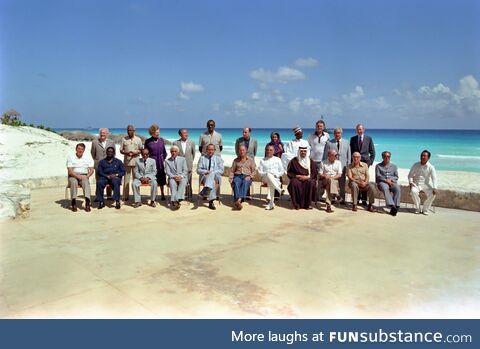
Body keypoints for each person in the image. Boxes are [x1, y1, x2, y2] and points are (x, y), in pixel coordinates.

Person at [323, 127, 351, 203]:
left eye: (338, 133)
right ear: (334, 134)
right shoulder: (329, 143)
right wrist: (324, 168)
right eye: (335, 133)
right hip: (331, 166)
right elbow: (325, 156)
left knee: (342, 184)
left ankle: (342, 200)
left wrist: (348, 167)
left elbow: (349, 156)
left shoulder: (347, 142)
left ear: (341, 134)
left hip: (343, 166)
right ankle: (331, 199)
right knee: (332, 182)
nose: (337, 134)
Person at [350, 123, 375, 205]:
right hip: (355, 162)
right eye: (358, 129)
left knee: (364, 180)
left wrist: (370, 162)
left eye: (360, 129)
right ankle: (356, 200)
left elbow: (372, 152)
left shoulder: (369, 139)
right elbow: (351, 152)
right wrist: (352, 163)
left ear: (363, 130)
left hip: (365, 163)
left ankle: (364, 200)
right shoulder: (353, 139)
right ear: (356, 130)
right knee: (357, 179)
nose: (359, 131)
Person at [408, 150, 438, 215]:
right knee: (413, 191)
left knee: (433, 194)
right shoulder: (415, 165)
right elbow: (410, 175)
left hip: (426, 185)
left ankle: (425, 209)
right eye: (422, 155)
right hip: (416, 184)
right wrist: (410, 182)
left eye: (424, 156)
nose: (423, 157)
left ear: (428, 158)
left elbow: (434, 178)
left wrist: (434, 187)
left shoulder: (431, 167)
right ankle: (418, 208)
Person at [66, 143, 94, 212]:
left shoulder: (87, 157)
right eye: (79, 149)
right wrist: (77, 176)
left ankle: (87, 202)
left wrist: (87, 176)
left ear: (84, 150)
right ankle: (73, 202)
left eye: (82, 149)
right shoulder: (70, 156)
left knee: (86, 182)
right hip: (73, 175)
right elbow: (70, 171)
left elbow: (92, 169)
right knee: (73, 182)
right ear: (76, 149)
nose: (80, 150)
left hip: (84, 174)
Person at [197, 144, 224, 210]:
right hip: (205, 177)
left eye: (212, 150)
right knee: (212, 182)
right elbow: (198, 170)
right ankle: (211, 201)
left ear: (214, 150)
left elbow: (221, 170)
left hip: (216, 177)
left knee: (212, 174)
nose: (210, 151)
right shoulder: (202, 158)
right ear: (206, 150)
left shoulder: (218, 158)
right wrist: (206, 171)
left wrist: (212, 172)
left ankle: (205, 190)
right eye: (209, 149)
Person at [258, 145, 285, 210]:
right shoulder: (262, 160)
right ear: (265, 151)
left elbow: (282, 171)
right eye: (267, 150)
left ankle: (271, 203)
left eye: (270, 150)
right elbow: (260, 172)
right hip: (265, 178)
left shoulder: (278, 159)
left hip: (275, 179)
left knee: (271, 181)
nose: (269, 151)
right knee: (269, 175)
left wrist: (276, 175)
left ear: (274, 151)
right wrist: (267, 173)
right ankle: (279, 189)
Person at [144, 124, 168, 201]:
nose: (158, 133)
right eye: (156, 132)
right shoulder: (148, 141)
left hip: (160, 162)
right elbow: (145, 152)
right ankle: (153, 196)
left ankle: (162, 194)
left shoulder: (161, 140)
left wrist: (162, 158)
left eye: (158, 132)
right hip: (152, 163)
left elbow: (164, 152)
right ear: (152, 133)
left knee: (161, 179)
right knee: (153, 179)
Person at [119, 125, 143, 201]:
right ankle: (125, 197)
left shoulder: (138, 139)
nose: (129, 131)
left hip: (136, 162)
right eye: (128, 130)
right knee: (126, 180)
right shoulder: (124, 139)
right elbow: (121, 150)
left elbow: (141, 150)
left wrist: (134, 153)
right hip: (127, 162)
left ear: (134, 131)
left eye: (131, 130)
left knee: (136, 180)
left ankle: (136, 197)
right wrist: (126, 153)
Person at [229, 144, 256, 210]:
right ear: (238, 151)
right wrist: (231, 178)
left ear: (246, 151)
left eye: (243, 150)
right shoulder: (235, 160)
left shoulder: (250, 160)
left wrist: (250, 176)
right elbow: (232, 171)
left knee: (245, 182)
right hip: (237, 175)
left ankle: (239, 200)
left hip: (247, 176)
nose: (242, 151)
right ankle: (239, 201)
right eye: (240, 150)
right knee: (235, 182)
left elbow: (254, 171)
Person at [91, 128, 115, 199]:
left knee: (109, 180)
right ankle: (98, 196)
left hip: (109, 165)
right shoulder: (95, 142)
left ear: (107, 134)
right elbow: (93, 153)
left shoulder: (111, 142)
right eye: (101, 132)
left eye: (104, 133)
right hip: (98, 165)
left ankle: (109, 195)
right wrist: (97, 160)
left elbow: (114, 153)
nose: (102, 134)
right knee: (98, 181)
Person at [375, 151, 401, 216]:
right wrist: (386, 180)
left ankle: (395, 206)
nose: (387, 158)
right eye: (385, 156)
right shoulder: (378, 166)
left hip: (392, 182)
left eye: (388, 156)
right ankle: (392, 205)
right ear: (382, 157)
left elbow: (396, 176)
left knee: (397, 188)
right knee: (385, 188)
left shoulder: (394, 166)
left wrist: (391, 180)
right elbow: (378, 176)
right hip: (382, 182)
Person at [173, 128, 195, 197]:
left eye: (187, 132)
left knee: (189, 181)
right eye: (184, 133)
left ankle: (189, 195)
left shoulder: (192, 142)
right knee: (180, 181)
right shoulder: (175, 143)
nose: (186, 134)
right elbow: (174, 154)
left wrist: (190, 162)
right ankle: (179, 195)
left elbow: (193, 154)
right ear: (180, 134)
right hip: (179, 166)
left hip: (189, 165)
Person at [165, 145, 188, 210]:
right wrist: (174, 177)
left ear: (178, 152)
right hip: (172, 177)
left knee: (183, 182)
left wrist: (181, 176)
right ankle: (177, 200)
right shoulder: (167, 161)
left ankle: (175, 200)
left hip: (182, 177)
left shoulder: (183, 159)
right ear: (170, 152)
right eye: (172, 151)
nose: (173, 152)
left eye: (175, 151)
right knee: (172, 184)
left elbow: (185, 170)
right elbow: (167, 172)